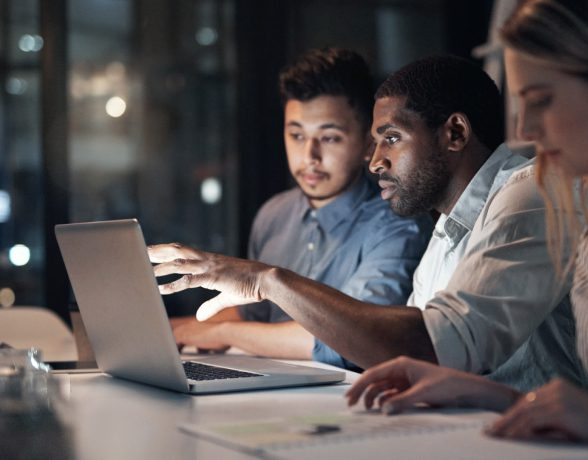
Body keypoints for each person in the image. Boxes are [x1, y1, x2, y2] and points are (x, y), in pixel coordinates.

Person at [148, 55, 588, 391]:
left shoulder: (534, 192)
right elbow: (414, 361)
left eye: (392, 138)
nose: (376, 160)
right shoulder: (447, 228)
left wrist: (267, 280)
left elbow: (433, 346)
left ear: (455, 134)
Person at [346, 0, 588, 447]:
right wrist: (494, 396)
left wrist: (270, 280)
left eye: (541, 100)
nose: (527, 128)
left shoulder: (545, 193)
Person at [169, 48, 431, 370]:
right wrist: (174, 330)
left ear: (367, 143)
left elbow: (349, 340)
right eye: (296, 135)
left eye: (330, 138)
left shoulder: (397, 225)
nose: (310, 155)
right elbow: (255, 315)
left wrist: (225, 333)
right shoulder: (274, 214)